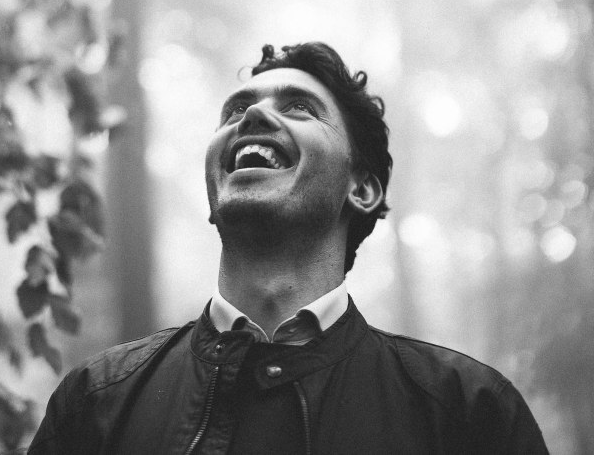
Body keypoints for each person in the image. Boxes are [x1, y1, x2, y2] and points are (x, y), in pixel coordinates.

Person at [27, 41, 549, 454]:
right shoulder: (95, 400)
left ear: (361, 189)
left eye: (299, 108)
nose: (251, 119)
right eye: (235, 112)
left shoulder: (468, 410)